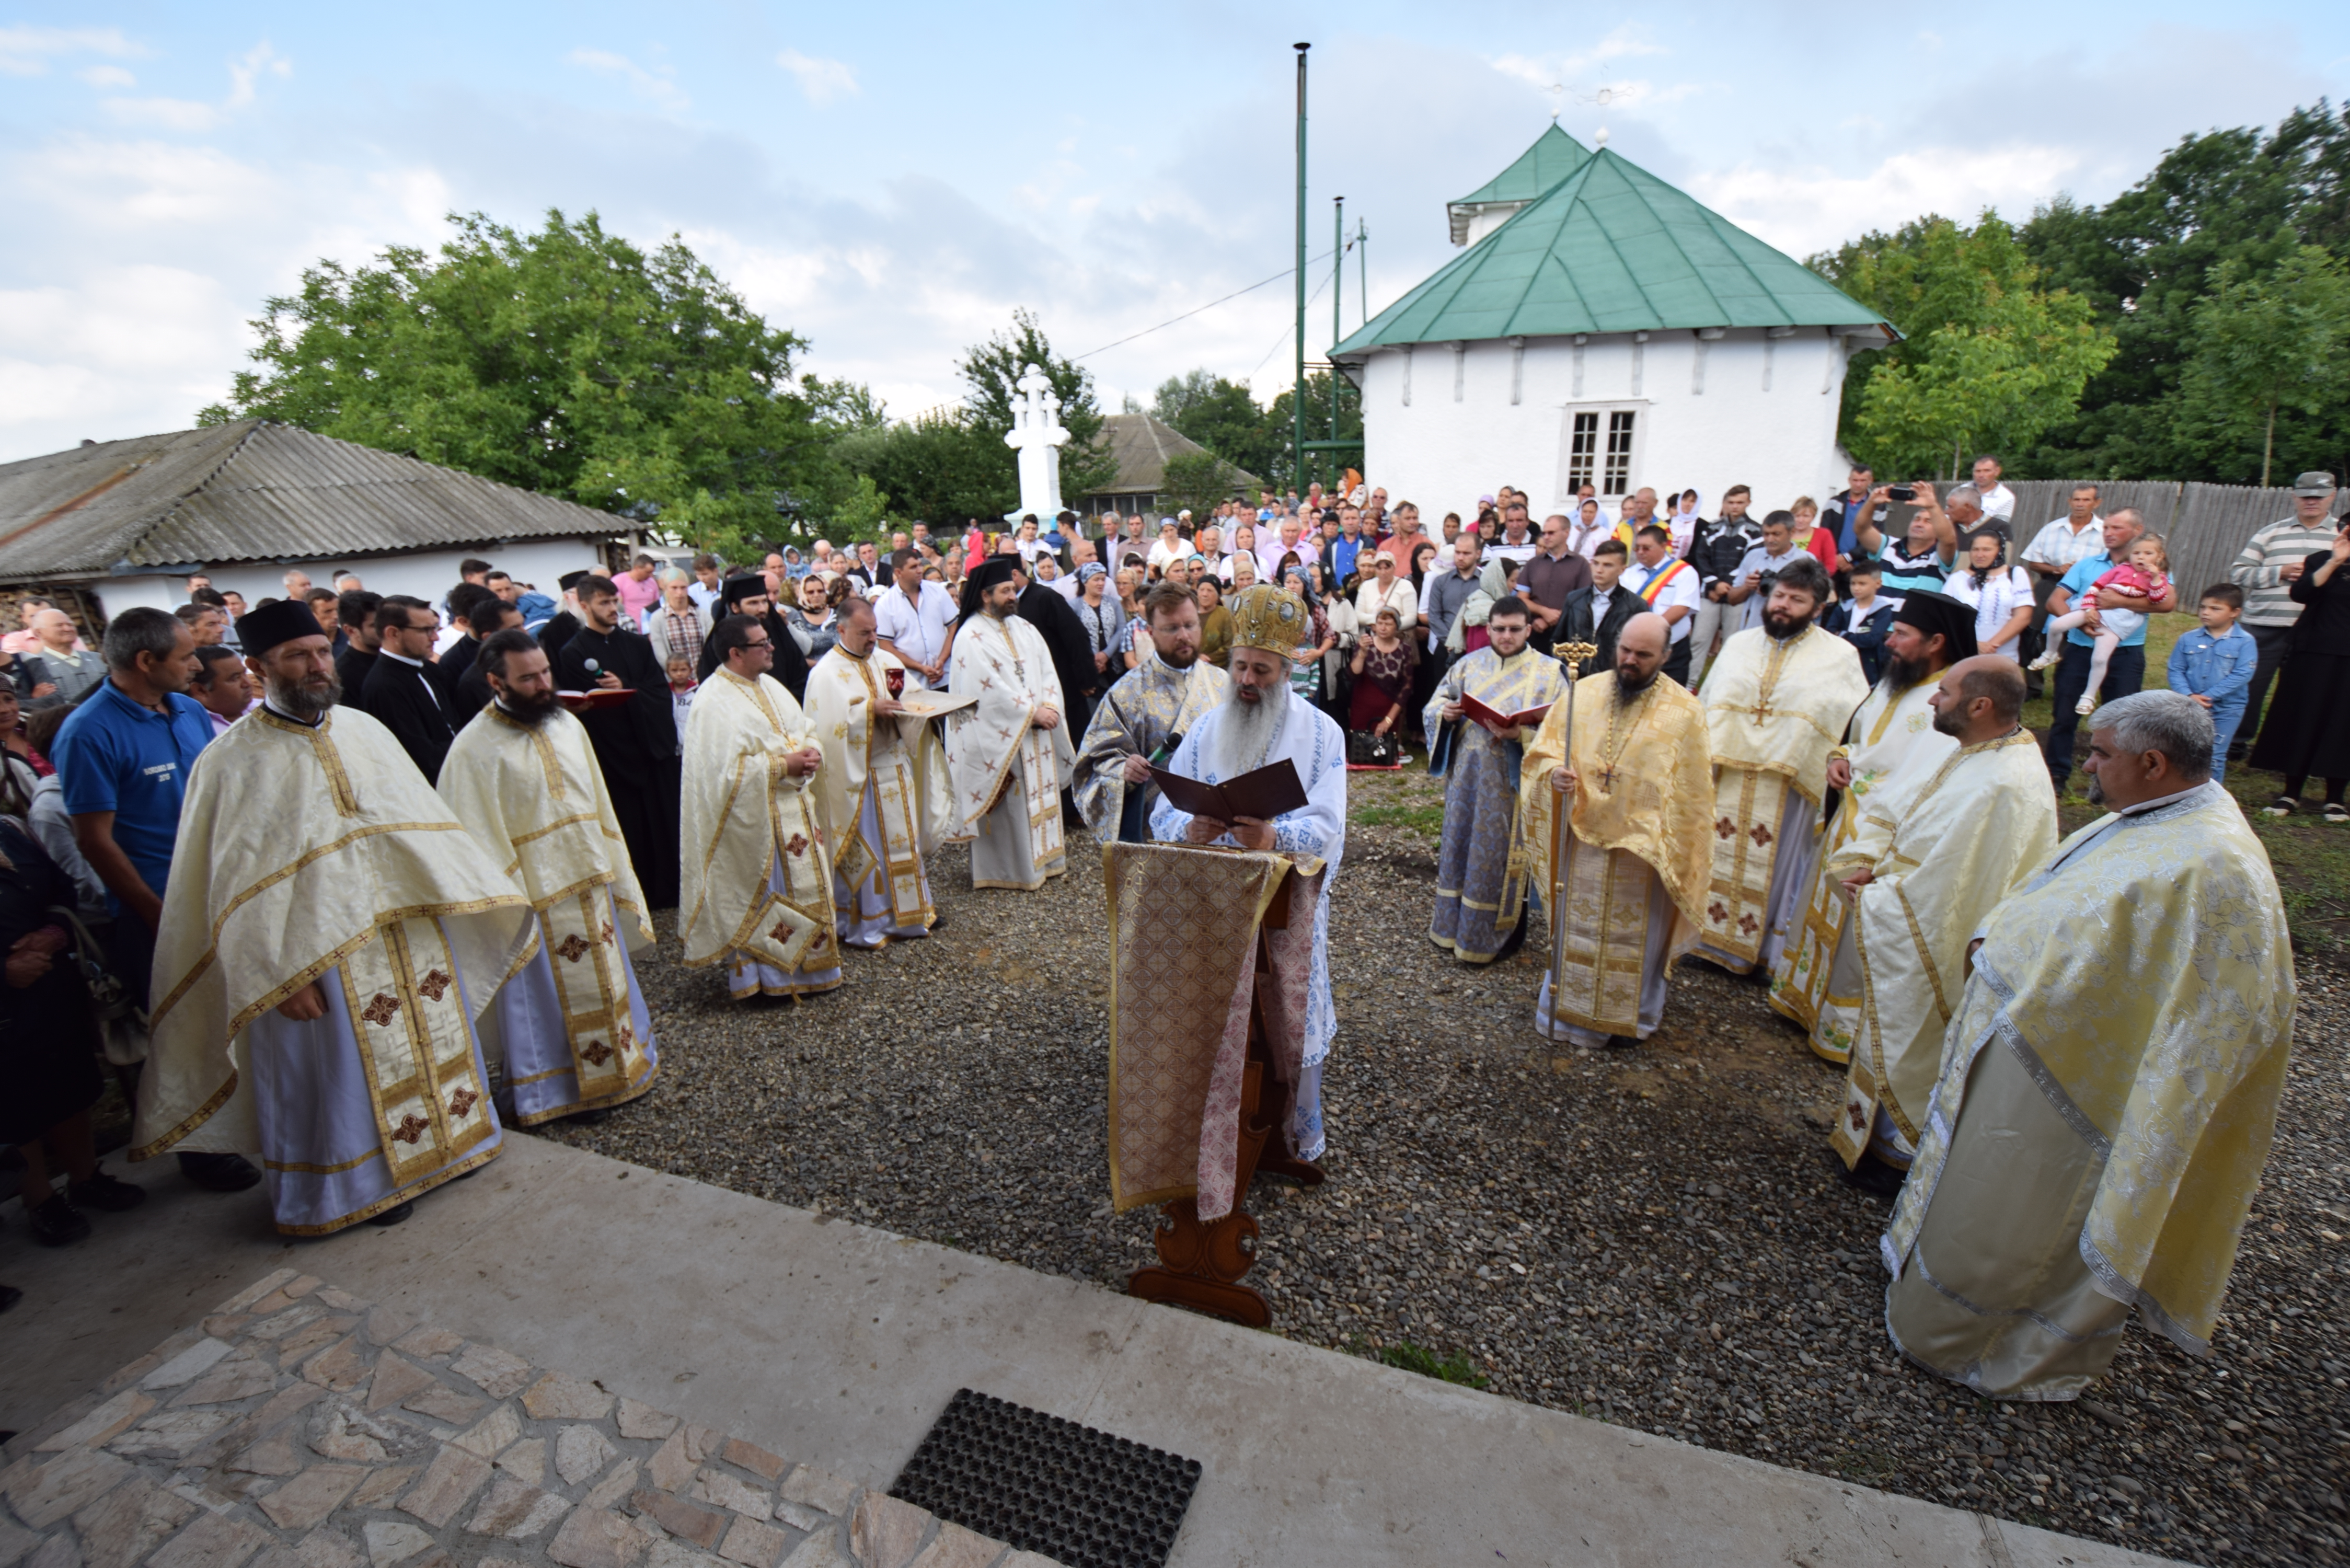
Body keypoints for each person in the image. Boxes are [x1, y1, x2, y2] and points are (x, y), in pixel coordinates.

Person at [1882, 690, 2293, 1400]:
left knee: (2022, 1214)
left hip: (2073, 1090)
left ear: (2153, 763)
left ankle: (1985, 1343)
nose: (2087, 767)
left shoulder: (2218, 868)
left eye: (2101, 754)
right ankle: (1931, 1293)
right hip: (2031, 1047)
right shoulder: (2151, 815)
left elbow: (2213, 1015)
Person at [130, 600, 534, 1231]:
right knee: (343, 1073)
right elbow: (227, 889)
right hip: (316, 958)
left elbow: (426, 832)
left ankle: (452, 1147)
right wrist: (275, 977)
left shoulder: (364, 730)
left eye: (320, 651)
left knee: (433, 1044)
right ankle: (365, 1186)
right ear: (259, 666)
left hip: (407, 935)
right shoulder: (230, 762)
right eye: (297, 656)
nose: (316, 666)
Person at [1822, 658, 2058, 1185]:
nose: (1931, 699)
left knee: (1916, 1033)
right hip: (1907, 908)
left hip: (1933, 940)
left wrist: (1878, 892)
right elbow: (1905, 812)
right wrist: (1865, 858)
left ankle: (1896, 1155)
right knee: (1892, 1026)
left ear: (1979, 706)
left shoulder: (2006, 784)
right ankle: (1867, 1139)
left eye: (1944, 693)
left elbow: (1954, 888)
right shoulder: (1974, 752)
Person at [1149, 584, 1347, 1162]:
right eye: (1239, 666)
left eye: (1261, 670)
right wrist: (1188, 830)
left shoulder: (1321, 735)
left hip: (1287, 907)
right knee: (1214, 1027)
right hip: (1211, 906)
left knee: (1284, 1020)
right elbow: (1166, 809)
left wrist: (1275, 837)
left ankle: (1286, 1137)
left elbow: (1330, 826)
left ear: (1286, 671)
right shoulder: (1208, 727)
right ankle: (1218, 1137)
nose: (1247, 681)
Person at [437, 630, 659, 1125]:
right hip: (533, 899)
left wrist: (611, 861)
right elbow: (471, 837)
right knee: (544, 999)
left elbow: (595, 798)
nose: (543, 685)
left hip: (588, 879)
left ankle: (620, 1071)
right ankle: (555, 1092)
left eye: (545, 673)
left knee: (606, 984)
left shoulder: (565, 724)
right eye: (528, 678)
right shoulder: (473, 748)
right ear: (496, 681)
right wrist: (507, 902)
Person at [1766, 590, 1973, 1055]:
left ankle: (1841, 1029)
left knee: (1858, 936)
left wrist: (1868, 789)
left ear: (1937, 641)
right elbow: (1861, 738)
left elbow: (1929, 778)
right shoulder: (1897, 679)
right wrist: (1841, 757)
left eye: (1902, 634)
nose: (1890, 641)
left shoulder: (1948, 702)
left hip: (1885, 836)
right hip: (1851, 820)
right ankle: (1806, 1000)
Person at [1518, 614, 1712, 1048]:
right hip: (1583, 840)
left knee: (1635, 942)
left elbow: (1693, 795)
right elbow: (1543, 754)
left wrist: (1665, 839)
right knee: (1576, 933)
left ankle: (1631, 1021)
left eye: (1643, 655)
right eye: (1625, 650)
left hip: (1643, 854)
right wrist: (1555, 777)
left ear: (1665, 655)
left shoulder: (1686, 712)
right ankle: (1568, 1016)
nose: (1630, 661)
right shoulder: (1582, 693)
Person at [1691, 555, 1867, 976]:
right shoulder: (1738, 643)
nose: (1782, 606)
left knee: (1782, 865)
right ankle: (1703, 939)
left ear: (1818, 608)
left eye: (1797, 600)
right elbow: (1709, 704)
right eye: (1780, 596)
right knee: (1714, 853)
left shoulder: (1840, 656)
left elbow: (1854, 722)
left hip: (1788, 783)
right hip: (1727, 775)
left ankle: (1767, 953)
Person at [677, 615, 842, 999]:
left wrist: (813, 752)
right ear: (736, 653)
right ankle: (771, 980)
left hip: (797, 808)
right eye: (761, 643)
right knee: (770, 895)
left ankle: (815, 970)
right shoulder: (712, 700)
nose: (771, 648)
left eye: (768, 640)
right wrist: (784, 765)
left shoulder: (770, 685)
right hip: (757, 824)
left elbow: (806, 728)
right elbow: (721, 776)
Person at [2, 812, 138, 1246]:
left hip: (50, 987)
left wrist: (51, 935)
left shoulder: (12, 831)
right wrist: (4, 970)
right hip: (6, 1004)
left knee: (70, 1085)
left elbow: (62, 889)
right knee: (18, 1103)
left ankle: (85, 1178)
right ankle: (40, 1201)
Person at [1423, 597, 1568, 963]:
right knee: (1459, 849)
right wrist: (1447, 714)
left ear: (1529, 629)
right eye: (1499, 629)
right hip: (1466, 784)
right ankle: (1452, 927)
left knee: (1500, 859)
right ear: (1487, 629)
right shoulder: (1467, 665)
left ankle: (1501, 936)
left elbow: (1566, 734)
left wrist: (1522, 736)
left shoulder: (1551, 673)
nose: (1506, 636)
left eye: (1514, 629)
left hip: (1513, 789)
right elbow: (1434, 706)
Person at [803, 596, 952, 948]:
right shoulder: (825, 673)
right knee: (869, 849)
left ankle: (913, 914)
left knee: (905, 844)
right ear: (841, 630)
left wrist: (930, 708)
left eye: (874, 632)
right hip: (860, 779)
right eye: (863, 633)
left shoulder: (885, 659)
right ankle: (870, 921)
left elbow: (913, 695)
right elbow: (826, 728)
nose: (872, 640)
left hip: (896, 768)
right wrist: (870, 710)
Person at [550, 575, 684, 909]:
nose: (613, 609)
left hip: (651, 749)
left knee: (663, 821)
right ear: (584, 605)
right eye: (603, 603)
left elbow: (657, 690)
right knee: (629, 828)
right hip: (613, 754)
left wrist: (627, 687)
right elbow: (581, 704)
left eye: (614, 602)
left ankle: (672, 888)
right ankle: (636, 894)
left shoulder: (637, 644)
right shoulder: (573, 652)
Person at [946, 556, 1074, 892]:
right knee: (1013, 803)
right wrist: (1031, 714)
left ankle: (1047, 860)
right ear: (985, 595)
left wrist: (1050, 706)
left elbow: (1048, 670)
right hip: (1004, 736)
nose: (1013, 596)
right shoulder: (970, 636)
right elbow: (984, 689)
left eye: (1013, 589)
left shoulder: (1025, 628)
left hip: (1038, 731)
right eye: (1005, 591)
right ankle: (1011, 871)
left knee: (1039, 795)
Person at [1069, 582, 1228, 845]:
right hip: (1155, 834)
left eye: (1190, 625)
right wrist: (1123, 770)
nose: (1183, 636)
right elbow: (1093, 764)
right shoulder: (1127, 693)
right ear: (1151, 632)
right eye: (1171, 628)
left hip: (1219, 828)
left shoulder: (1222, 682)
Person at [2039, 508, 2177, 790]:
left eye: (2117, 528)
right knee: (2064, 715)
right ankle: (2056, 775)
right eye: (2106, 528)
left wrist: (2118, 602)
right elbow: (2056, 600)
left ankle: (2116, 780)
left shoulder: (2153, 567)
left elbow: (2166, 603)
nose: (2109, 533)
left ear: (2137, 532)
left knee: (2123, 720)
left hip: (2126, 653)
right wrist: (2083, 624)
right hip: (2080, 650)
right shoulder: (2087, 565)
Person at [2228, 471, 2341, 759]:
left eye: (2318, 496)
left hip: (2315, 630)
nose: (2311, 502)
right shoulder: (2271, 533)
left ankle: (2290, 748)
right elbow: (2238, 573)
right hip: (2264, 625)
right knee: (2249, 685)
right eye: (2305, 496)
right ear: (2294, 497)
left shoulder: (2341, 536)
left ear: (2333, 496)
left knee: (2303, 692)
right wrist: (2279, 573)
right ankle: (2237, 741)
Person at [2248, 515, 2350, 818]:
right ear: (2339, 531)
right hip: (2311, 652)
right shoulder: (2320, 560)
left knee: (2343, 724)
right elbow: (2301, 593)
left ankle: (2335, 798)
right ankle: (2290, 793)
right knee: (2301, 718)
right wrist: (2334, 561)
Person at [2030, 533, 2170, 715]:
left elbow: (2157, 599)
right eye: (2137, 553)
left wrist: (2155, 578)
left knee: (2099, 658)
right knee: (2056, 626)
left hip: (2120, 620)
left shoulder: (2159, 578)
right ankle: (2050, 653)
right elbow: (2095, 588)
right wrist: (2089, 609)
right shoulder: (2120, 569)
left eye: (2148, 554)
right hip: (2095, 608)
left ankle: (2088, 696)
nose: (2141, 558)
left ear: (2159, 557)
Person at [2165, 584, 2256, 786]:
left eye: (2215, 609)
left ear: (2235, 612)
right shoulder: (2187, 639)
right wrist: (2188, 695)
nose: (2206, 613)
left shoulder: (2245, 642)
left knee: (2214, 754)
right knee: (2184, 751)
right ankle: (2179, 794)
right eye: (2203, 607)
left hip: (2227, 709)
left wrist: (2210, 696)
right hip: (2188, 706)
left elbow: (2243, 674)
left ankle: (2210, 801)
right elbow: (2175, 669)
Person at [360, 595, 458, 783]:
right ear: (393, 634)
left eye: (435, 628)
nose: (436, 637)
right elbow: (420, 757)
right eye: (426, 630)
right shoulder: (384, 688)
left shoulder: (429, 669)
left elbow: (452, 723)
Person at [2019, 483, 2105, 688]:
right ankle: (2033, 685)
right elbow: (2032, 561)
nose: (2080, 504)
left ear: (2097, 503)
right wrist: (2057, 569)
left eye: (2086, 500)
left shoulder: (2104, 532)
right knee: (2030, 630)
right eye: (2076, 499)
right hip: (2051, 582)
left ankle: (2066, 683)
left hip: (2087, 590)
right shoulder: (2052, 529)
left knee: (2073, 633)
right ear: (2070, 501)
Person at [697, 573, 811, 703]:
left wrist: (784, 707)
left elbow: (800, 677)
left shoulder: (779, 635)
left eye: (764, 601)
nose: (762, 609)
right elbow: (714, 693)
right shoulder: (718, 645)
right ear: (735, 607)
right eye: (753, 603)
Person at [1686, 486, 1760, 682]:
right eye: (1731, 502)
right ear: (1724, 503)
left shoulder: (1755, 531)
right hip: (1710, 595)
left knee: (1732, 643)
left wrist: (1726, 585)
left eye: (1740, 503)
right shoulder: (1712, 528)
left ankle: (1726, 685)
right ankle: (1690, 685)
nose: (1735, 507)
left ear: (1748, 503)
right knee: (1699, 640)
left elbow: (1750, 561)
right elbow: (1701, 558)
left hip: (1737, 595)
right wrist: (1714, 584)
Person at [1623, 525, 1701, 686]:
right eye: (1637, 548)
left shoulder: (1684, 572)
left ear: (1663, 546)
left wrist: (1649, 631)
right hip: (1635, 649)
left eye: (1647, 548)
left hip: (1673, 648)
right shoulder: (1629, 574)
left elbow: (1681, 608)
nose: (1641, 552)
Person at [1942, 529, 2035, 662]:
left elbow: (2023, 616)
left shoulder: (2016, 575)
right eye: (1975, 550)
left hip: (2004, 658)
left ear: (2000, 551)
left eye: (1987, 550)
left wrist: (1991, 645)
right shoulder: (1956, 579)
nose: (1980, 555)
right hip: (1963, 656)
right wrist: (1974, 645)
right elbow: (1945, 618)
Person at [1554, 538, 1639, 680]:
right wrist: (1565, 666)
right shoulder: (1575, 599)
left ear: (1622, 569)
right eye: (1596, 563)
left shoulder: (1635, 606)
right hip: (1576, 678)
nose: (1599, 570)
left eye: (1608, 565)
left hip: (1613, 680)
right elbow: (1558, 642)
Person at [1721, 511, 1807, 633]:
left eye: (1776, 534)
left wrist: (1779, 590)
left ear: (1792, 532)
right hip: (1753, 631)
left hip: (1787, 632)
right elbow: (1732, 599)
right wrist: (1747, 587)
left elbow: (1810, 601)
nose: (1770, 540)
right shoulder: (1753, 556)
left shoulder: (1805, 561)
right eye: (1766, 534)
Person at [1346, 607, 1416, 747]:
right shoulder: (1365, 644)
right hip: (1362, 707)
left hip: (1389, 709)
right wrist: (1362, 653)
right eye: (1380, 623)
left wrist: (1389, 720)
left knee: (1384, 752)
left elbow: (1407, 687)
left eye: (1388, 624)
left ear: (1397, 627)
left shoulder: (1405, 650)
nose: (1383, 628)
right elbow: (1352, 675)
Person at [1822, 560, 1896, 684]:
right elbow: (1829, 634)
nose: (1856, 588)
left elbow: (1872, 640)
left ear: (1878, 584)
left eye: (1862, 584)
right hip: (1840, 661)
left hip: (1868, 666)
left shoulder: (1884, 610)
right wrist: (1857, 638)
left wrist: (1843, 634)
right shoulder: (1843, 607)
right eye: (1853, 583)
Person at [17, 608, 105, 708]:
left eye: (70, 625)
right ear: (39, 633)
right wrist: (36, 699)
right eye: (59, 625)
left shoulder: (98, 658)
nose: (67, 629)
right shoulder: (35, 667)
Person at [644, 568, 711, 672]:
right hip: (676, 679)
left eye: (683, 588)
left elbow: (711, 645)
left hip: (703, 674)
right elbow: (660, 652)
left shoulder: (702, 615)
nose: (679, 593)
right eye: (674, 588)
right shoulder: (658, 618)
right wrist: (676, 674)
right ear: (666, 588)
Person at [188, 644, 250, 737]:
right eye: (235, 678)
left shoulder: (263, 708)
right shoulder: (196, 732)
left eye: (245, 674)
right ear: (201, 691)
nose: (247, 684)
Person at [333, 590, 383, 705]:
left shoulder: (399, 657)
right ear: (351, 631)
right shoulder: (343, 676)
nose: (386, 629)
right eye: (375, 625)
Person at [785, 574, 838, 663]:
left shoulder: (838, 615)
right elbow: (796, 655)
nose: (816, 595)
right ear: (803, 594)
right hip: (811, 672)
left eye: (821, 591)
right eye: (811, 592)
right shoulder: (797, 619)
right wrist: (821, 666)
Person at [1196, 577, 1233, 667]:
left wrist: (1207, 659)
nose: (1205, 594)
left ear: (1218, 595)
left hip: (1217, 668)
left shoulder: (1225, 615)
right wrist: (1195, 657)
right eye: (1202, 590)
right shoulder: (1188, 613)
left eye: (1210, 591)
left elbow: (1229, 646)